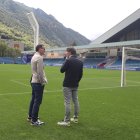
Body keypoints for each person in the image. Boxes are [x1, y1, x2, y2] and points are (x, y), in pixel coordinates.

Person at [57, 47, 83, 126]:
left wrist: (66, 60)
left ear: (70, 52)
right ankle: (75, 117)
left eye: (66, 52)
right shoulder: (80, 62)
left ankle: (67, 120)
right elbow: (81, 75)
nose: (65, 53)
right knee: (75, 101)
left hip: (67, 84)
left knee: (67, 102)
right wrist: (77, 81)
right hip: (75, 84)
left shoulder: (68, 60)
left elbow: (61, 70)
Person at [27, 44, 48, 126]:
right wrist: (42, 82)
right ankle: (34, 120)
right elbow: (40, 72)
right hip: (37, 82)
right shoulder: (39, 57)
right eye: (43, 49)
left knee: (33, 99)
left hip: (33, 80)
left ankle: (30, 116)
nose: (44, 50)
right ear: (39, 49)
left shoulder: (34, 56)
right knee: (37, 101)